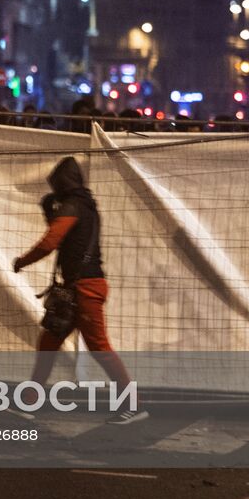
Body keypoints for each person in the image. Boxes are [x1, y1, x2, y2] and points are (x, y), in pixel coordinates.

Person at [12, 156, 148, 425]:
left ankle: (133, 405)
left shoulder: (73, 205)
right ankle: (28, 401)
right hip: (77, 289)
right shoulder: (85, 205)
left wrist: (22, 261)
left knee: (99, 347)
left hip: (86, 288)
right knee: (49, 342)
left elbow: (51, 241)